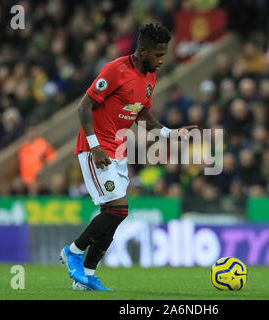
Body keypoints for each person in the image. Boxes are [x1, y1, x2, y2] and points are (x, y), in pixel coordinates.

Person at [59, 24, 197, 291]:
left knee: (112, 214)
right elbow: (84, 106)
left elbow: (142, 114)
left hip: (118, 150)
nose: (161, 60)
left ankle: (86, 277)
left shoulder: (150, 77)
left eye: (163, 55)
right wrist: (95, 146)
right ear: (142, 50)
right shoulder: (115, 70)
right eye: (157, 55)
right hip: (97, 150)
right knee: (119, 209)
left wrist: (169, 133)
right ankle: (73, 251)